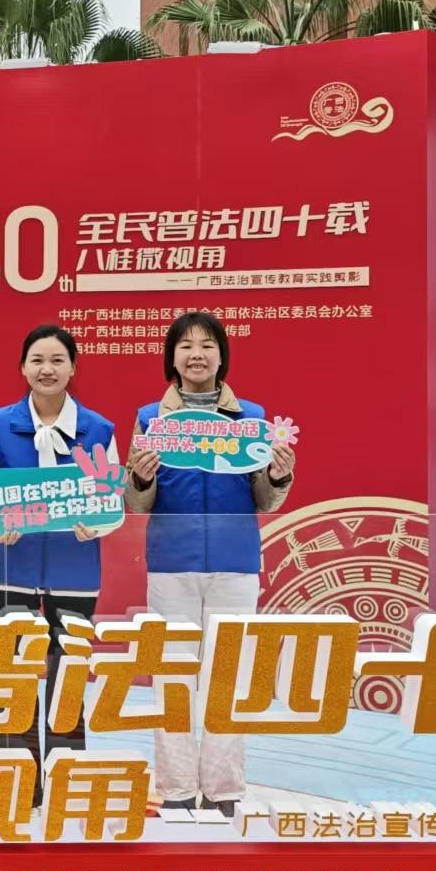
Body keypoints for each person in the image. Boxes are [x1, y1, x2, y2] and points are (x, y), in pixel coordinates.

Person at [127, 310, 295, 818]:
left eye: (206, 345)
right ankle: (176, 787)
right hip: (170, 563)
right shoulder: (149, 420)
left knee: (230, 677)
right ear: (171, 358)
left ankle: (224, 788)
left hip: (235, 562)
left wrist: (278, 475)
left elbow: (265, 500)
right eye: (185, 346)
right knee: (172, 677)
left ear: (222, 356)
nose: (196, 354)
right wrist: (140, 477)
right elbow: (135, 504)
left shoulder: (252, 419)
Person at [0, 324, 118, 785]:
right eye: (37, 360)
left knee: (68, 675)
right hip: (11, 567)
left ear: (73, 368)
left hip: (75, 570)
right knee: (14, 676)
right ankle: (18, 780)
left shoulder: (98, 429)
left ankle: (65, 778)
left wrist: (97, 523)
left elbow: (111, 496)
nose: (46, 369)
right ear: (22, 368)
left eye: (56, 360)